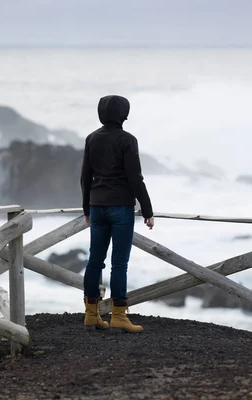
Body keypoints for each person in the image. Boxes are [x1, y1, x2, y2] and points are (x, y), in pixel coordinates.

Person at [80, 94, 154, 333]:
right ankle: (119, 315)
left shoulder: (92, 139)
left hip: (97, 207)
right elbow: (135, 178)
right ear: (124, 114)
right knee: (119, 263)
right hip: (120, 207)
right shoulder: (128, 140)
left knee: (94, 262)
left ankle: (91, 314)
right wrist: (147, 210)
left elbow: (85, 177)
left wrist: (86, 208)